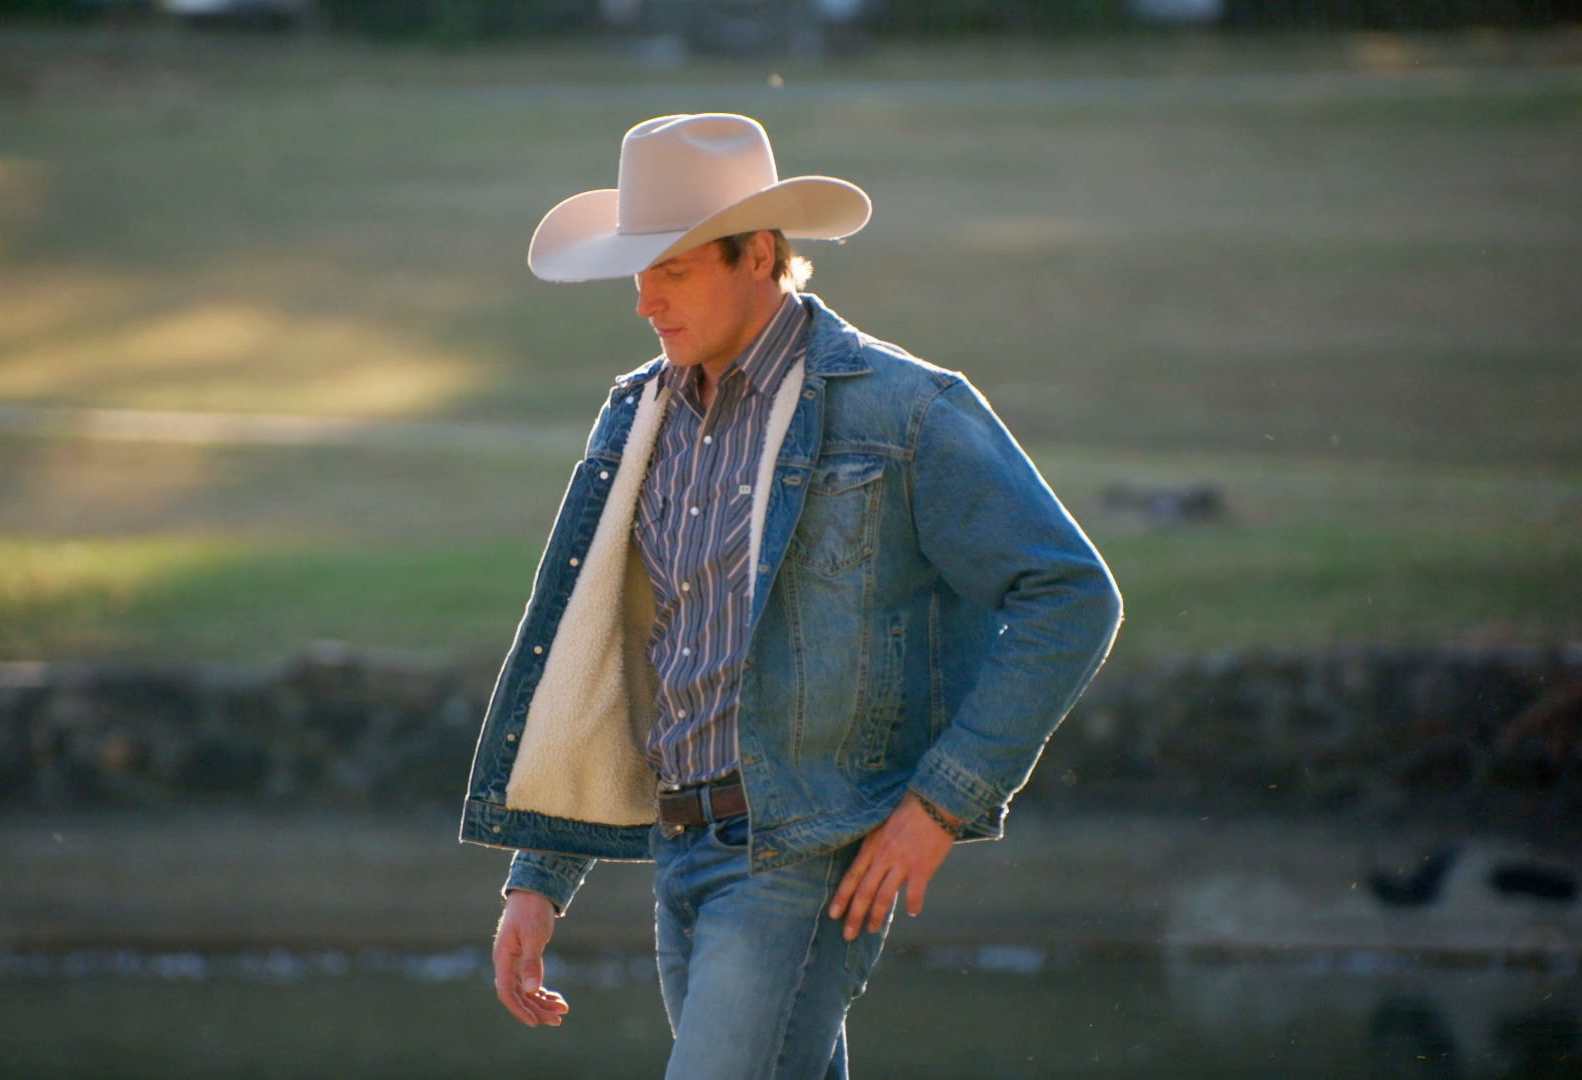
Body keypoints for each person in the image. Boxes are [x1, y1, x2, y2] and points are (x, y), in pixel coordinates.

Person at [459, 113, 1122, 1079]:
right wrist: (539, 875)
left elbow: (1069, 595)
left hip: (806, 854)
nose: (644, 300)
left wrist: (940, 805)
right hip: (678, 852)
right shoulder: (638, 414)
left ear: (760, 254)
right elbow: (611, 655)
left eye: (672, 269)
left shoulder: (903, 410)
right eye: (638, 272)